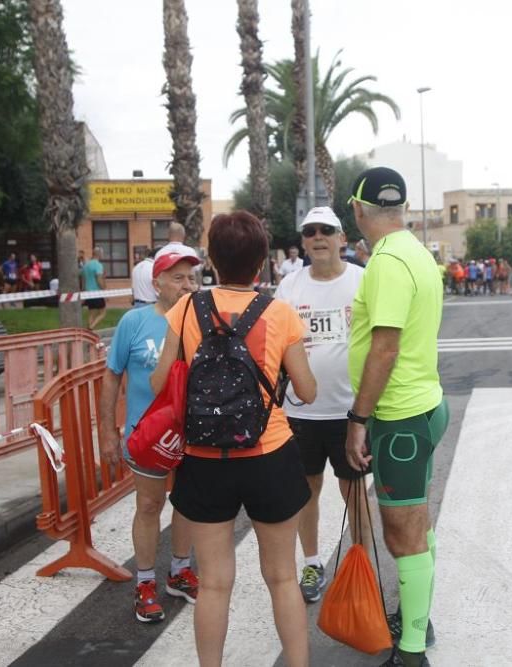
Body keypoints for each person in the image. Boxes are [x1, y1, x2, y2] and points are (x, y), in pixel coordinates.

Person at [150, 211, 316, 667]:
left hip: (203, 459)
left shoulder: (186, 309)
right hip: (269, 455)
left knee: (216, 582)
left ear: (212, 261)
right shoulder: (279, 312)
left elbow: (159, 381)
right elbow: (307, 390)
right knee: (283, 577)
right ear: (262, 261)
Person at [345, 167, 449, 667]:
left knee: (402, 533)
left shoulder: (386, 262)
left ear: (359, 210)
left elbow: (384, 348)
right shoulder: (417, 252)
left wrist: (358, 418)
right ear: (401, 209)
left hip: (399, 416)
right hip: (424, 404)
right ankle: (417, 615)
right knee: (417, 522)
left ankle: (411, 650)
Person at [274, 206, 371, 605]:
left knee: (355, 493)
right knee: (307, 491)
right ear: (303, 241)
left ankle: (361, 563)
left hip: (351, 413)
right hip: (301, 413)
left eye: (326, 230)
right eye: (310, 231)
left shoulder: (363, 281)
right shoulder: (290, 287)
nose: (318, 237)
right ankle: (312, 562)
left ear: (342, 238)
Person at [99, 251, 201, 623]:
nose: (186, 285)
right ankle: (145, 583)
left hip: (192, 435)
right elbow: (112, 376)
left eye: (191, 277)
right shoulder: (134, 322)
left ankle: (179, 571)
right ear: (156, 283)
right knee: (148, 506)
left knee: (189, 504)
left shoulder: (202, 322)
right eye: (177, 277)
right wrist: (107, 433)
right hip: (146, 437)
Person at [82, 247, 107, 330]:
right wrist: (104, 289)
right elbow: (99, 279)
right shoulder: (98, 265)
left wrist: (83, 291)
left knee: (91, 313)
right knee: (103, 313)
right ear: (98, 254)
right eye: (102, 254)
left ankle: (89, 334)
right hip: (97, 292)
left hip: (88, 292)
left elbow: (83, 280)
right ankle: (90, 327)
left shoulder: (86, 265)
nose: (102, 255)